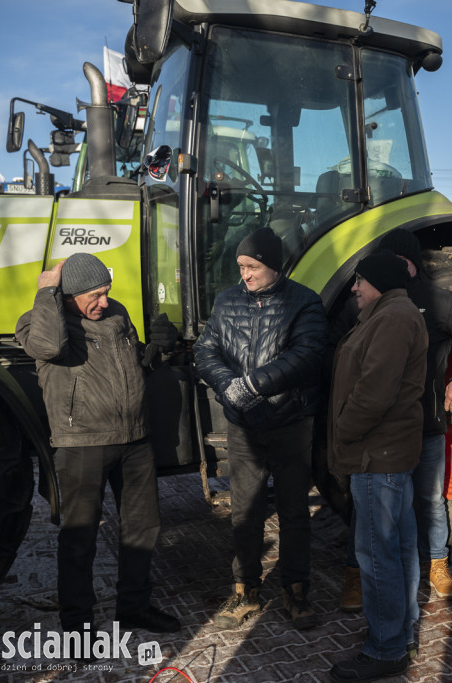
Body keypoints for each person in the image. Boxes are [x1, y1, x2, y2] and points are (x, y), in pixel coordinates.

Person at [15, 253, 180, 646]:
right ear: (67, 295)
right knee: (79, 538)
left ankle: (134, 606)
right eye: (95, 295)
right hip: (81, 443)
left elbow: (130, 368)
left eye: (106, 292)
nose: (104, 302)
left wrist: (156, 351)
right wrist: (46, 290)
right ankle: (77, 627)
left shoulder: (116, 313)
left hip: (134, 439)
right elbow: (50, 347)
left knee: (142, 530)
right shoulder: (38, 322)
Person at [194, 227, 327, 631]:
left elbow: (307, 355)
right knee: (244, 513)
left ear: (273, 265)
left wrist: (253, 385)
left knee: (293, 512)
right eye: (241, 267)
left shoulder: (304, 302)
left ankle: (296, 591)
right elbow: (205, 349)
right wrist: (228, 386)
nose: (245, 275)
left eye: (252, 267)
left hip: (290, 424)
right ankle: (245, 590)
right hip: (244, 427)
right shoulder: (227, 300)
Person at [328, 250, 428, 682]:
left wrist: (342, 430)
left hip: (376, 454)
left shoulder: (392, 318)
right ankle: (401, 635)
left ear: (379, 283)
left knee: (377, 555)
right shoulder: (393, 313)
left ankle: (386, 648)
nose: (354, 288)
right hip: (388, 454)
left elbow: (374, 392)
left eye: (360, 281)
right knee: (399, 550)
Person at [378, 229, 452, 597]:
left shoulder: (437, 300)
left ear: (409, 263)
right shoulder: (370, 299)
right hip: (382, 425)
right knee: (376, 499)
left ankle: (438, 565)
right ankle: (362, 571)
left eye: (396, 261)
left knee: (430, 498)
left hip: (427, 421)